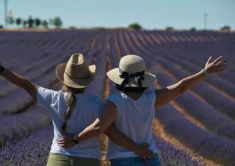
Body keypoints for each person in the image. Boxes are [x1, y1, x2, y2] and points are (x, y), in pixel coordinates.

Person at [0, 52, 153, 166]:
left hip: (58, 159)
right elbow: (108, 130)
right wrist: (136, 148)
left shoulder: (52, 98)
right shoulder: (96, 102)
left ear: (64, 80)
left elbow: (26, 84)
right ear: (86, 81)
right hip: (88, 161)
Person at [58, 54, 227, 166]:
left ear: (119, 79)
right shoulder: (151, 98)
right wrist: (204, 72)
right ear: (142, 80)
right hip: (149, 158)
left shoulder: (114, 102)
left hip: (123, 160)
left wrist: (75, 138)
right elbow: (181, 87)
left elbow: (99, 127)